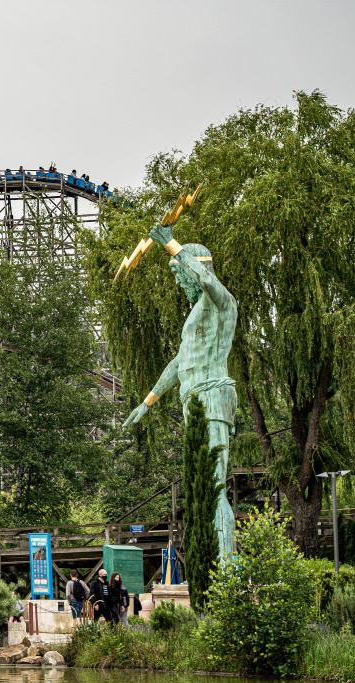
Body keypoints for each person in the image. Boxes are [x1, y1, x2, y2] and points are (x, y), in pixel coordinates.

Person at [122, 219, 239, 560]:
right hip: (194, 401)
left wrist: (173, 245)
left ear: (196, 269)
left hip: (213, 397)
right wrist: (148, 401)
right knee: (203, 489)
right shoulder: (196, 316)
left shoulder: (221, 303)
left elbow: (207, 281)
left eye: (178, 273)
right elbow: (180, 362)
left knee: (215, 489)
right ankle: (216, 565)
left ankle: (228, 571)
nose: (177, 280)